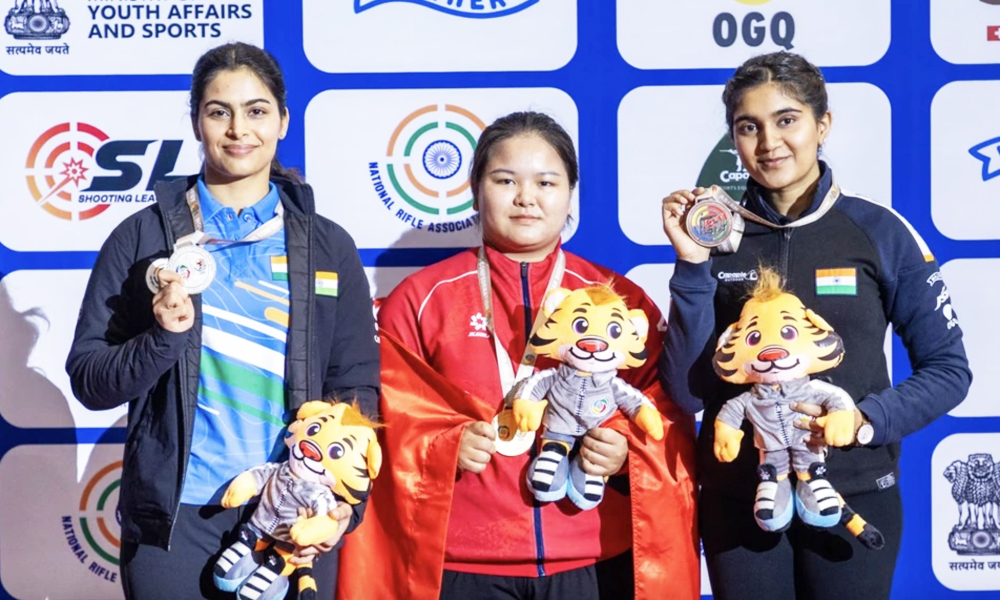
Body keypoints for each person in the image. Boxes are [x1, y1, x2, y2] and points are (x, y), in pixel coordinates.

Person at [337, 111, 699, 600]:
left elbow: (666, 407)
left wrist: (625, 449)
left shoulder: (618, 299)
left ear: (570, 193)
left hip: (595, 558)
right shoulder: (420, 298)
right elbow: (380, 417)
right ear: (475, 190)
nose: (526, 197)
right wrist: (443, 446)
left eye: (546, 182)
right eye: (505, 180)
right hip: (461, 564)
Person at [65, 42, 379, 600]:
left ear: (283, 120)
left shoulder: (329, 246)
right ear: (196, 122)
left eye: (256, 110)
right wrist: (162, 339)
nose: (239, 129)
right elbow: (91, 380)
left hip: (293, 514)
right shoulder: (142, 238)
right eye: (219, 111)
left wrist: (341, 506)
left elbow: (355, 388)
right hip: (173, 524)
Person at [660, 51, 972, 600]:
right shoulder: (714, 235)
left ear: (822, 125)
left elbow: (949, 370)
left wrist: (866, 420)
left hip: (855, 491)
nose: (769, 143)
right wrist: (690, 264)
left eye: (787, 120)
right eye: (748, 127)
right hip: (742, 501)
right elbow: (687, 393)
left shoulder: (877, 231)